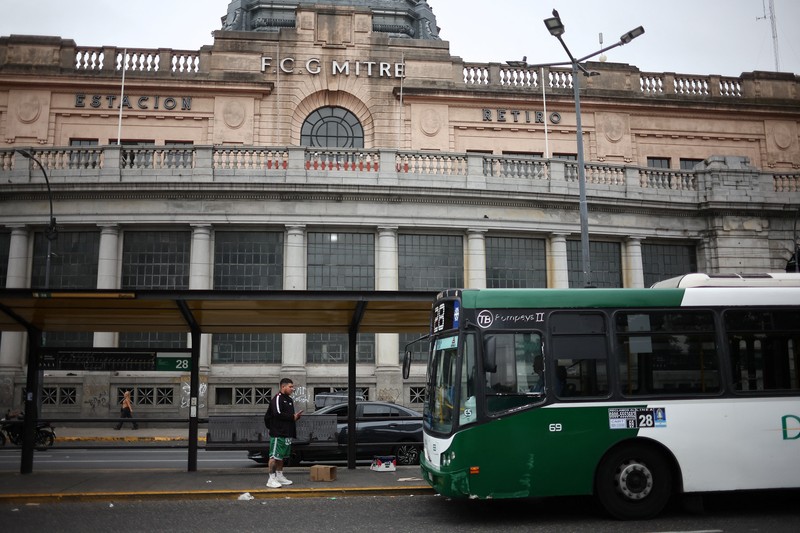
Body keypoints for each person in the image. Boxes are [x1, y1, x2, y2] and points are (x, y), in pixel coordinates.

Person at [265, 378, 303, 489]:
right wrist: (292, 417)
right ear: (283, 387)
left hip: (287, 433)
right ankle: (271, 479)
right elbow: (277, 413)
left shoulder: (289, 400)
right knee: (274, 456)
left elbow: (287, 417)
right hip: (278, 433)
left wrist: (295, 418)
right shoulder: (277, 398)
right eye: (290, 387)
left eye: (293, 387)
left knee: (281, 457)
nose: (293, 389)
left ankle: (280, 476)